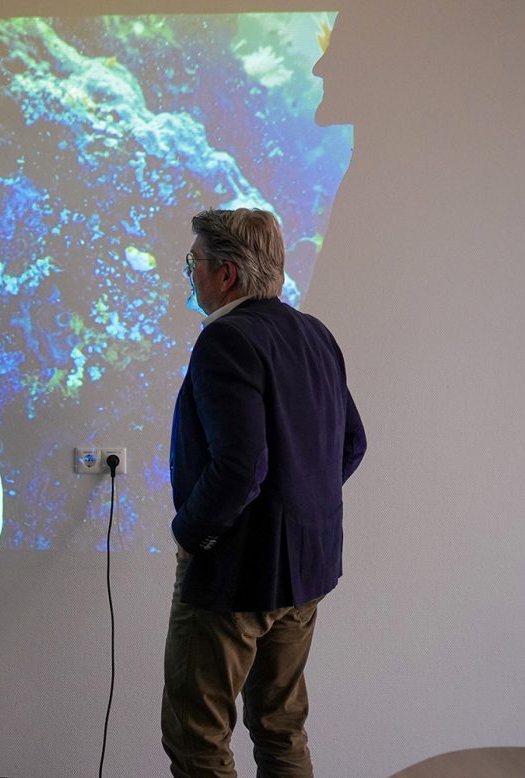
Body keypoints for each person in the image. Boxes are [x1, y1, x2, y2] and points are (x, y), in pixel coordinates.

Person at [161, 208, 366, 777]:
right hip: (307, 570)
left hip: (234, 575)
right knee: (280, 728)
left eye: (193, 263)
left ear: (225, 274)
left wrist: (188, 535)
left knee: (196, 738)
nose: (190, 275)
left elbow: (241, 467)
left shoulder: (225, 340)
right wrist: (297, 505)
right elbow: (351, 443)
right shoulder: (314, 333)